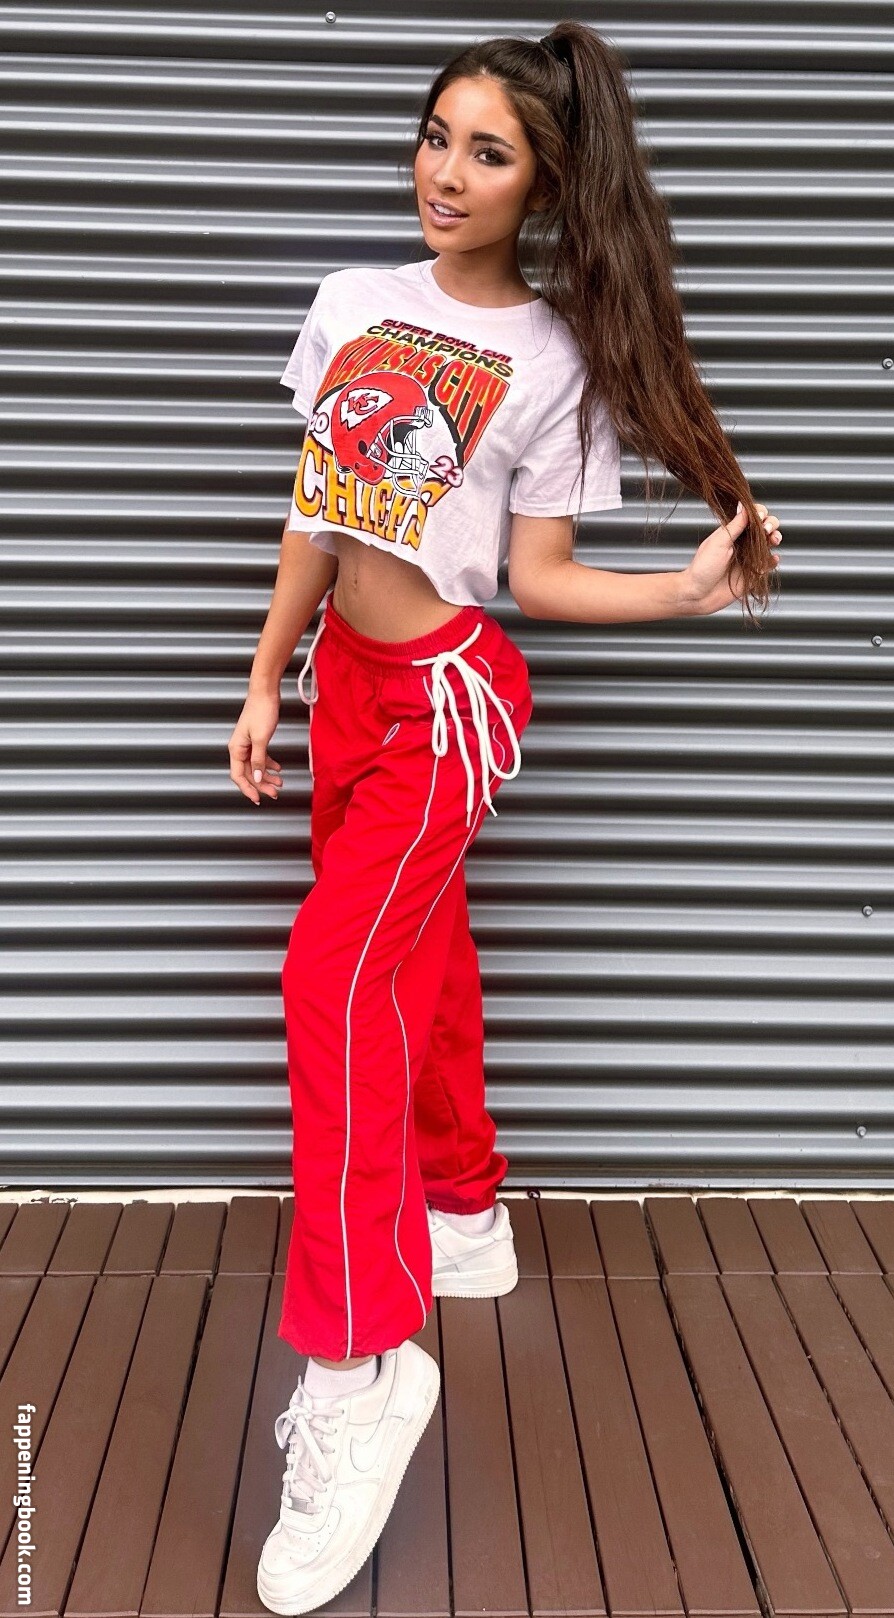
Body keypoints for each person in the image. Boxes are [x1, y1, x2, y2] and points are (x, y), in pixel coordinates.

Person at [229, 21, 783, 1618]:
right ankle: (464, 1206)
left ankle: (360, 1363)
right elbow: (321, 508)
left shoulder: (549, 356)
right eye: (436, 136)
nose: (446, 172)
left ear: (541, 186)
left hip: (444, 704)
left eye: (488, 152)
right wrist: (262, 678)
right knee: (416, 948)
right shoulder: (353, 301)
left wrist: (679, 592)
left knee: (334, 978)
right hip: (344, 688)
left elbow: (535, 575)